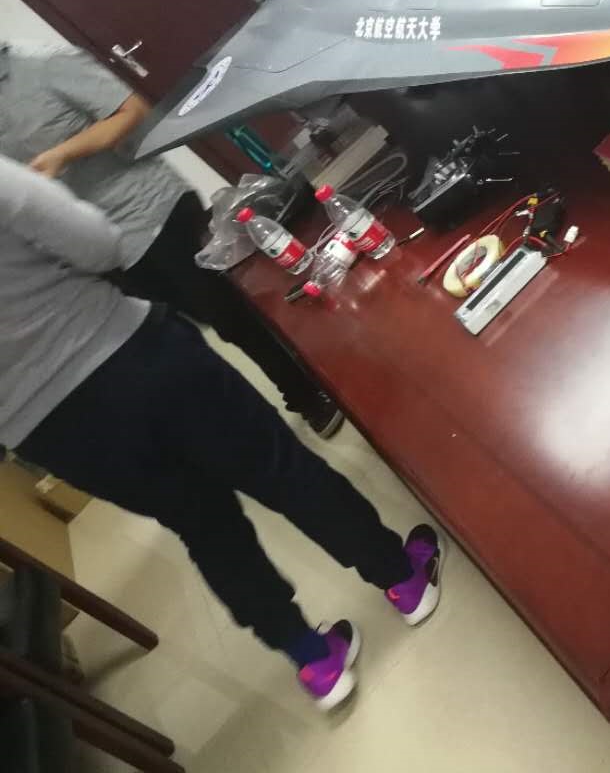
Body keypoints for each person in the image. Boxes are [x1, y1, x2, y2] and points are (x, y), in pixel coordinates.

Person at [0, 153, 442, 709]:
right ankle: (401, 576)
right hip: (131, 355)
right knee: (279, 469)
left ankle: (312, 658)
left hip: (50, 432)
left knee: (203, 526)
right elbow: (99, 245)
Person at [0, 41, 342, 437]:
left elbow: (133, 110)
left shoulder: (47, 68)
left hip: (151, 209)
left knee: (229, 315)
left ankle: (306, 391)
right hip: (96, 247)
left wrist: (63, 154)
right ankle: (244, 426)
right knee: (176, 342)